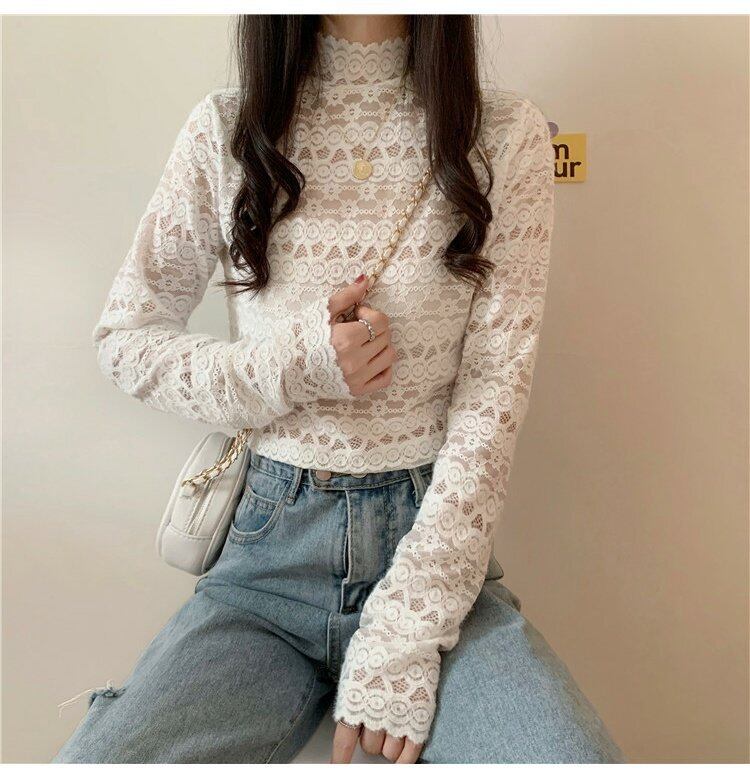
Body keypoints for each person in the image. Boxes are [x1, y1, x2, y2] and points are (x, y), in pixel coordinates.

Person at [53, 13, 624, 764]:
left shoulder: (504, 134)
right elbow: (126, 339)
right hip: (263, 564)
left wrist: (407, 632)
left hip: (433, 549)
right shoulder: (227, 128)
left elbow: (493, 395)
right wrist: (297, 364)